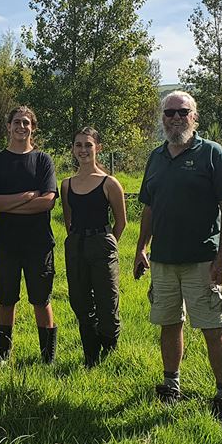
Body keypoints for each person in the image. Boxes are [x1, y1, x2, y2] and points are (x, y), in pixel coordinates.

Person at [133, 91, 222, 418]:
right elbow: (149, 207)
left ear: (194, 117)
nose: (176, 118)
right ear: (162, 118)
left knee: (213, 328)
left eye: (183, 112)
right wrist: (141, 248)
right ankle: (171, 385)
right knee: (169, 324)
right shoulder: (156, 158)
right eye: (170, 113)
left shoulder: (212, 154)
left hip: (203, 262)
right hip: (164, 261)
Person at [0, 106, 59, 364]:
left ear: (32, 127)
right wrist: (25, 197)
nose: (21, 127)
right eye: (16, 122)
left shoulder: (43, 160)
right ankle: (3, 356)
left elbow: (47, 202)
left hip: (39, 243)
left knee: (41, 299)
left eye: (26, 123)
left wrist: (8, 205)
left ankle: (47, 357)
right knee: (6, 299)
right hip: (5, 243)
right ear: (8, 126)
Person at [60, 127, 127, 367]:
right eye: (78, 145)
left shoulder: (109, 183)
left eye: (88, 145)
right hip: (76, 244)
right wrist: (79, 240)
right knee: (80, 301)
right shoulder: (67, 184)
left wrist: (107, 244)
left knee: (107, 302)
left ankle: (110, 350)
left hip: (102, 244)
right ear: (73, 149)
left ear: (98, 148)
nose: (83, 150)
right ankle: (90, 356)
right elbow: (68, 219)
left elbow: (121, 221)